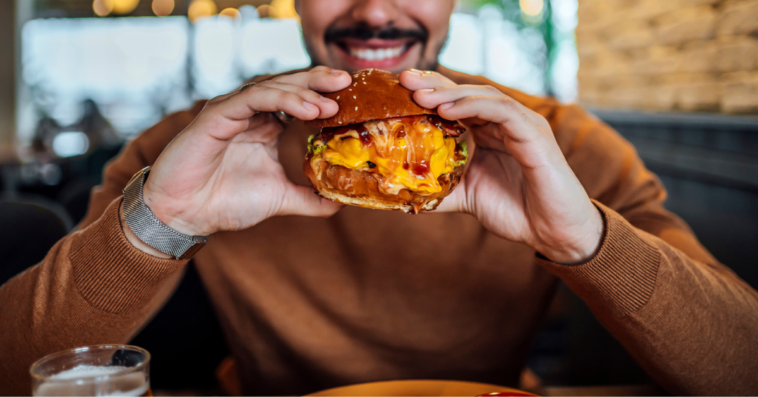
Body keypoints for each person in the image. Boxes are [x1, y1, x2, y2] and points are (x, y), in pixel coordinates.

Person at [1, 0, 757, 395]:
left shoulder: (560, 142)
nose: (374, 9)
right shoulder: (199, 141)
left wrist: (585, 239)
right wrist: (159, 222)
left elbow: (743, 369)